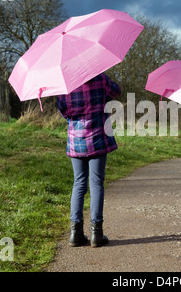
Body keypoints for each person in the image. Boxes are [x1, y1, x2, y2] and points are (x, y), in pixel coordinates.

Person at [56, 72, 121, 248]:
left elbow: (63, 110)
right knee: (96, 183)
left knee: (79, 183)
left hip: (76, 140)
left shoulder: (65, 84)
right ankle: (96, 234)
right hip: (98, 138)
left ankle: (75, 234)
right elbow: (117, 92)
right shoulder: (100, 78)